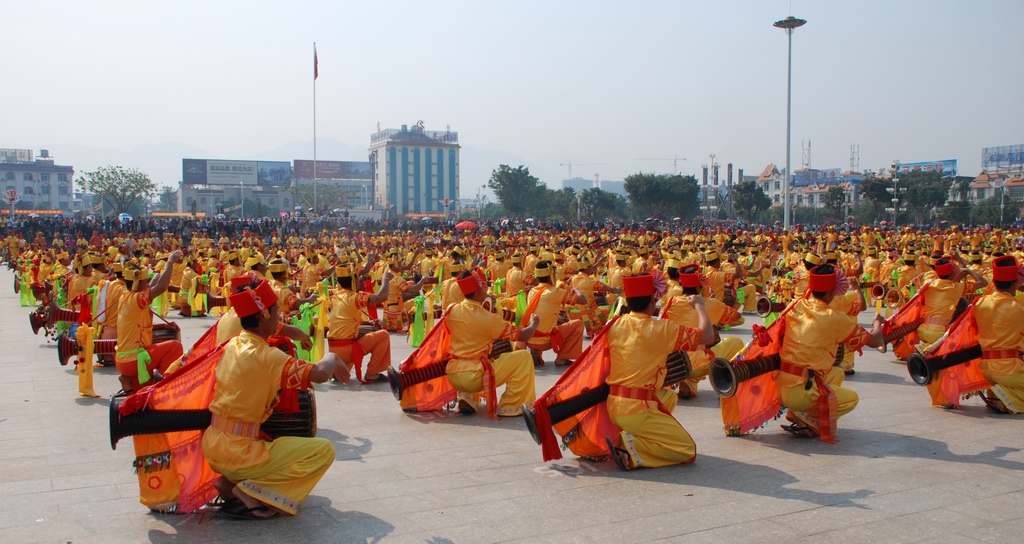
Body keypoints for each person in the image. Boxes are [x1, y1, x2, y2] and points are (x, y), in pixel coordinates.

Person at [202, 276, 342, 519]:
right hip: (239, 453)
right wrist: (332, 357)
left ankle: (228, 483)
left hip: (213, 446)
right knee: (323, 450)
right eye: (277, 312)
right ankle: (251, 494)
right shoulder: (268, 356)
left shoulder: (231, 344)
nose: (280, 317)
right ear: (264, 315)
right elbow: (319, 375)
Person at [603, 272, 714, 471]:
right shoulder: (662, 329)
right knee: (687, 449)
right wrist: (700, 306)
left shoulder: (614, 324)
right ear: (653, 300)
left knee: (668, 396)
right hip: (636, 411)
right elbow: (707, 335)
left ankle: (638, 434)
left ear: (628, 299)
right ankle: (633, 449)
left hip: (613, 406)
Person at [777, 264, 887, 441]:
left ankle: (800, 414)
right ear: (831, 293)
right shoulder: (835, 318)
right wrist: (877, 323)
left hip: (781, 384)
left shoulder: (795, 305)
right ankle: (807, 417)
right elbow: (875, 341)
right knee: (852, 399)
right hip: (799, 391)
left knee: (836, 373)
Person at [446, 267, 540, 417]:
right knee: (523, 358)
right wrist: (534, 323)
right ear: (477, 292)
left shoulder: (451, 311)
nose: (487, 292)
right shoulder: (489, 320)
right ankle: (511, 406)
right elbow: (525, 335)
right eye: (484, 289)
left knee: (475, 353)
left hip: (452, 374)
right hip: (475, 377)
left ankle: (467, 397)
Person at [115, 253, 185, 393]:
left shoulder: (125, 296)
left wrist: (164, 326)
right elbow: (161, 287)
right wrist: (170, 262)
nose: (148, 284)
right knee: (175, 347)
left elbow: (140, 326)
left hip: (123, 360)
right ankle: (164, 387)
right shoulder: (136, 299)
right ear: (138, 283)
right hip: (133, 361)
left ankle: (131, 382)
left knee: (144, 390)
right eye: (145, 281)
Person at [326, 262, 392, 383]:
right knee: (383, 335)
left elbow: (347, 320)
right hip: (347, 349)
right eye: (358, 279)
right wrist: (386, 279)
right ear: (353, 281)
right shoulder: (355, 297)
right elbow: (380, 297)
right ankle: (373, 373)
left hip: (333, 349)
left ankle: (340, 369)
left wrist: (369, 323)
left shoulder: (334, 297)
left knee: (359, 335)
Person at [975, 255, 1024, 414]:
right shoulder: (1018, 306)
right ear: (1016, 284)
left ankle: (997, 394)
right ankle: (1006, 397)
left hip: (986, 369)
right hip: (1010, 368)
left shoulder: (979, 303)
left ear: (993, 281)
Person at [519, 261, 586, 366]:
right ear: (551, 275)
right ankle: (562, 358)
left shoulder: (532, 291)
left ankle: (535, 352)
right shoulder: (555, 293)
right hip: (545, 341)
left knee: (543, 319)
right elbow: (583, 300)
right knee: (578, 324)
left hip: (529, 338)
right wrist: (576, 290)